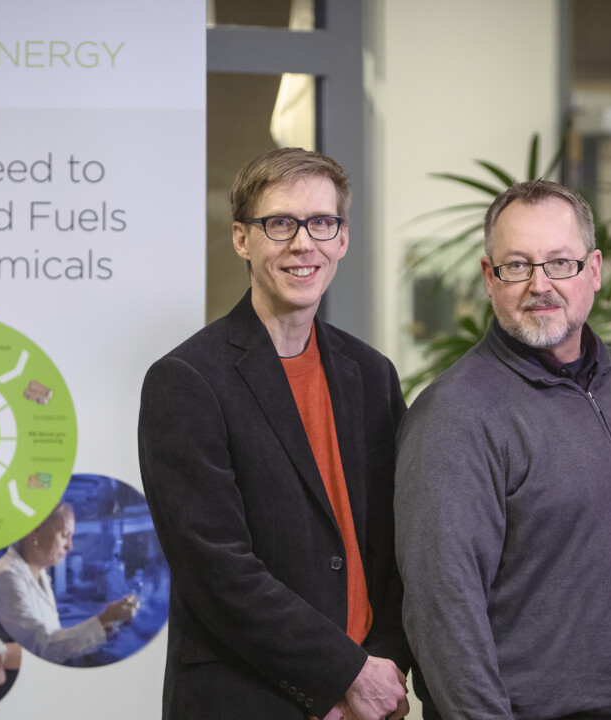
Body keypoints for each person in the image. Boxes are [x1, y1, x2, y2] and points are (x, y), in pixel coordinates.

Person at [138, 147, 411, 720]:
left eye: (322, 223)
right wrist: (342, 674)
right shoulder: (187, 381)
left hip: (368, 702)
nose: (302, 243)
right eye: (279, 223)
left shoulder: (372, 374)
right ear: (242, 239)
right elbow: (217, 570)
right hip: (247, 699)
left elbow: (399, 540)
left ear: (341, 238)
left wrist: (382, 665)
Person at [395, 179, 611, 719]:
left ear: (594, 270)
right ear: (488, 277)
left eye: (560, 263)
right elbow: (442, 610)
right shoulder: (456, 415)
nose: (540, 284)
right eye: (517, 266)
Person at [0, 502, 138, 664]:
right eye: (65, 535)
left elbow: (52, 636)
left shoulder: (40, 573)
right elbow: (41, 648)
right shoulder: (4, 576)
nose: (70, 546)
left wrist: (103, 628)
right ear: (36, 530)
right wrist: (102, 620)